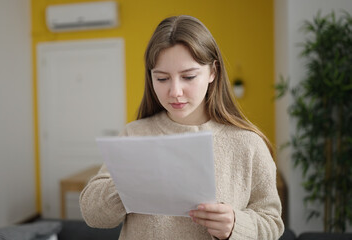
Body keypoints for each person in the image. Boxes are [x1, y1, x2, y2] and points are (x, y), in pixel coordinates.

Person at [80, 15, 284, 240]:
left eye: (188, 76)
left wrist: (236, 224)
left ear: (213, 72)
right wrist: (127, 184)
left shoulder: (248, 144)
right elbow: (92, 215)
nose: (175, 91)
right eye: (162, 79)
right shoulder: (134, 135)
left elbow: (272, 224)